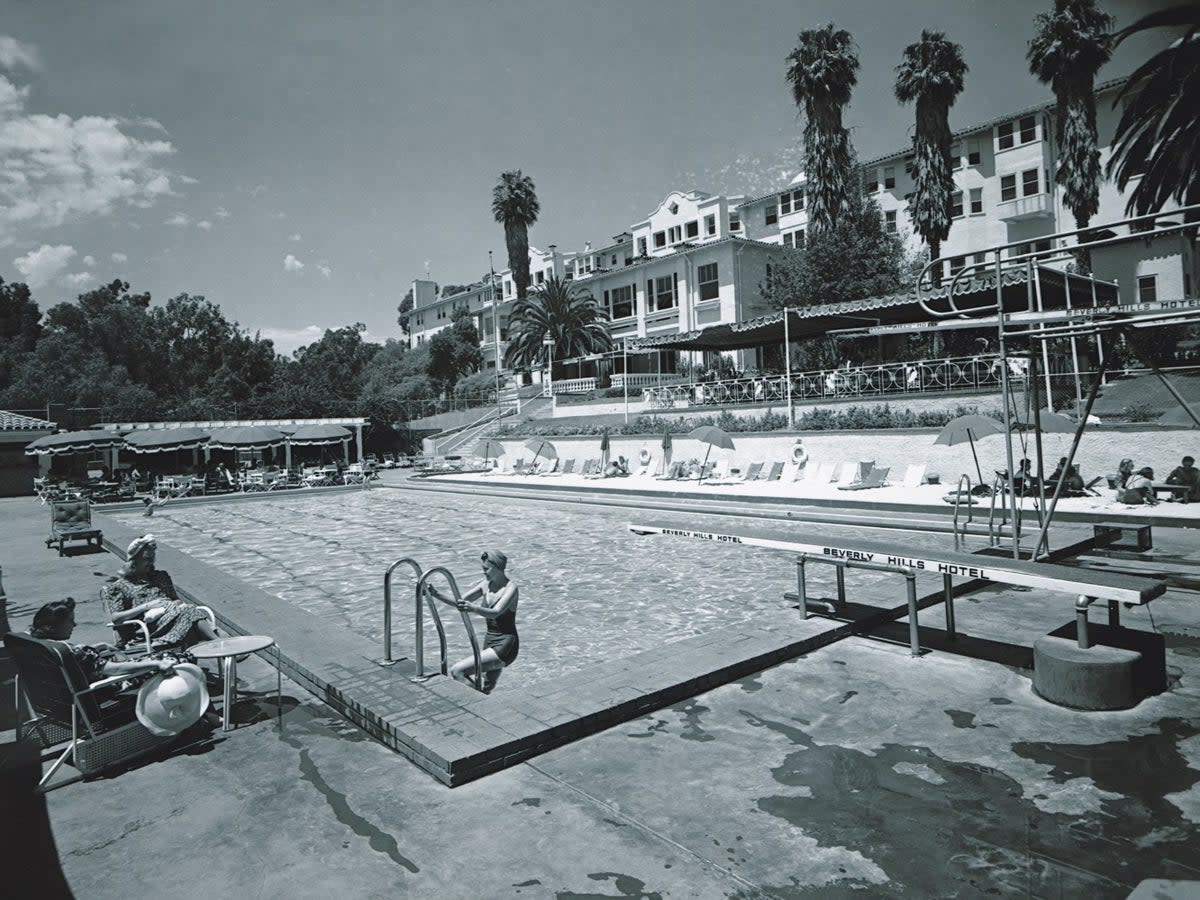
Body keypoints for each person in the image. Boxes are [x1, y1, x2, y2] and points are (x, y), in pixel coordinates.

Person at [425, 550, 518, 694]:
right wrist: (436, 594)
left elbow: (496, 612)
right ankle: (483, 709)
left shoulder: (511, 588)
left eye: (486, 569)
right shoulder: (485, 584)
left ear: (498, 567)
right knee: (486, 687)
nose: (484, 572)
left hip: (506, 645)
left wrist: (473, 608)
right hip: (490, 641)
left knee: (458, 671)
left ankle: (476, 705)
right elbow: (460, 602)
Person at [102, 534, 220, 648]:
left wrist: (175, 603)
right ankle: (219, 645)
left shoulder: (161, 577)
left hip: (176, 617)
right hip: (148, 627)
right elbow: (116, 618)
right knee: (189, 611)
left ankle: (206, 651)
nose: (151, 562)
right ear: (133, 562)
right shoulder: (120, 586)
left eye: (152, 558)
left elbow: (175, 599)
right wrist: (146, 606)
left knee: (187, 613)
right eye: (147, 559)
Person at [28, 597, 179, 684]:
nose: (74, 624)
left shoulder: (41, 646)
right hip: (108, 687)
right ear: (54, 626)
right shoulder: (77, 652)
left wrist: (94, 648)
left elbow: (75, 658)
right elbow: (117, 669)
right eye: (70, 621)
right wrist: (157, 663)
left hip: (70, 696)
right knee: (173, 659)